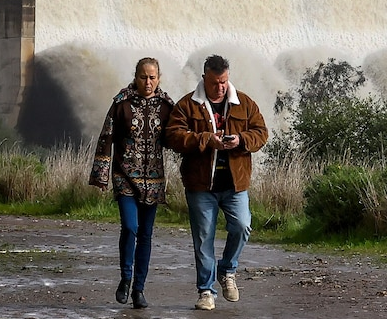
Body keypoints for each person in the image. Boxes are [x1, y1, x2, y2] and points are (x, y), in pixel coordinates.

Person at [164, 54, 268, 311]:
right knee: (203, 238)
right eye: (215, 83)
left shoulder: (244, 103)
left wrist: (241, 140)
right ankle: (206, 292)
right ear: (204, 78)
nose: (220, 87)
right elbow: (173, 137)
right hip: (201, 185)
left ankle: (227, 270)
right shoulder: (188, 105)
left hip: (235, 183)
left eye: (223, 82)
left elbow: (261, 133)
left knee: (243, 226)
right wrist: (205, 139)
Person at [89, 57, 175, 310]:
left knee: (146, 235)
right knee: (130, 227)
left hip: (154, 180)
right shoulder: (121, 103)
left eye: (152, 77)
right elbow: (106, 137)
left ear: (159, 78)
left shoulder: (166, 106)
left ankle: (139, 289)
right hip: (124, 177)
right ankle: (125, 279)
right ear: (135, 76)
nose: (147, 82)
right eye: (143, 77)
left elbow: (176, 138)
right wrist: (101, 174)